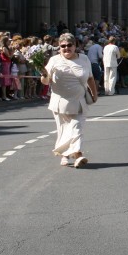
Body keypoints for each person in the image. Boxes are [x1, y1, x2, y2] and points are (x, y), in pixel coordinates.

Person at [40, 33, 97, 168]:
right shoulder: (54, 60)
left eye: (69, 45)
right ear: (59, 47)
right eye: (63, 46)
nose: (66, 48)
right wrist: (43, 74)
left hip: (79, 101)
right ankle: (65, 155)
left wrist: (95, 94)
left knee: (77, 128)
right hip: (60, 102)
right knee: (64, 130)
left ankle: (77, 155)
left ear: (75, 45)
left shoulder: (83, 59)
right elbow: (45, 81)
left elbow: (90, 78)